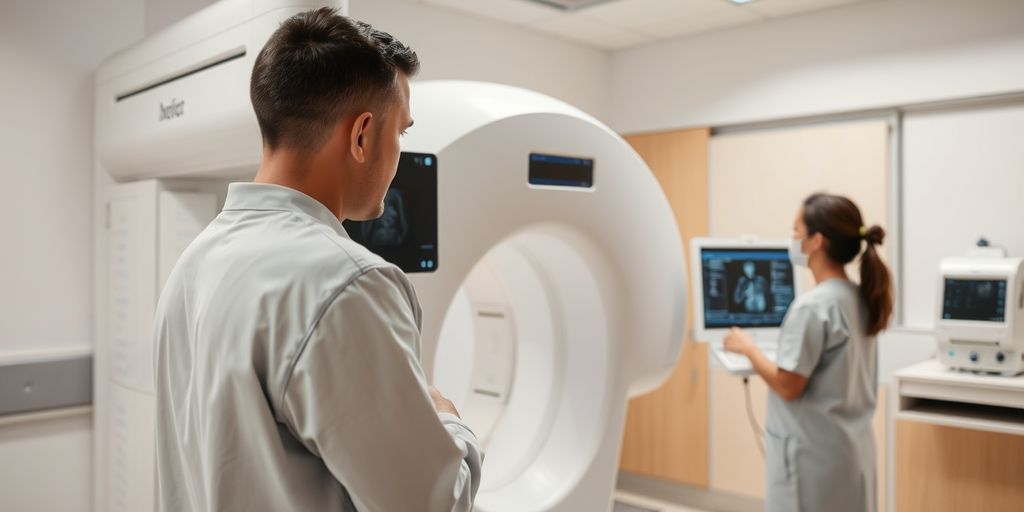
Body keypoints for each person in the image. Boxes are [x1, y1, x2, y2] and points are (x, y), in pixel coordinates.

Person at [153, 8, 482, 512]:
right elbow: (430, 504)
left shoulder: (194, 264)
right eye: (402, 133)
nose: (398, 152)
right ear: (362, 135)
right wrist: (448, 421)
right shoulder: (347, 283)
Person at [723, 193, 893, 512]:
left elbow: (788, 385)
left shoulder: (812, 308)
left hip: (813, 459)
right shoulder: (860, 297)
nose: (792, 238)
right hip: (850, 450)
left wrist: (748, 349)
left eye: (796, 230)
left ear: (817, 241)